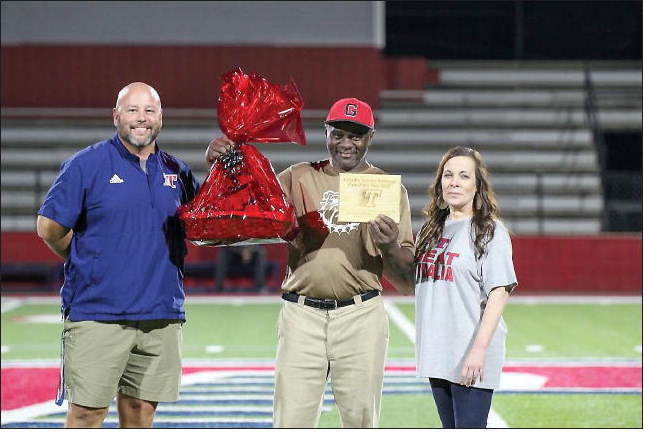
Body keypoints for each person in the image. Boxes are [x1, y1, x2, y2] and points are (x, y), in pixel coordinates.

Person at [206, 97, 415, 428]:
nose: (346, 143)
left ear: (370, 138)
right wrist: (224, 165)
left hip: (360, 315)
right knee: (291, 421)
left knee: (361, 421)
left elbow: (407, 281)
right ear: (326, 133)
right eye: (339, 134)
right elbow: (250, 206)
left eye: (356, 135)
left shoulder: (388, 190)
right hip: (302, 314)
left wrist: (389, 246)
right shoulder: (299, 177)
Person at [36, 82, 200, 428]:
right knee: (86, 413)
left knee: (141, 412)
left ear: (160, 118)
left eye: (149, 111)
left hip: (159, 314)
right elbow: (49, 228)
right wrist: (86, 259)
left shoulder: (178, 171)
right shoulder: (86, 165)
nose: (141, 119)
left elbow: (205, 226)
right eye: (132, 110)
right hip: (98, 312)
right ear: (116, 116)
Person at [408, 146, 518, 428]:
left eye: (464, 176)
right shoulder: (431, 229)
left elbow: (499, 292)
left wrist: (479, 350)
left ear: (477, 185)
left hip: (470, 353)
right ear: (439, 182)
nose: (454, 182)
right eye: (448, 175)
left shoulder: (490, 230)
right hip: (438, 352)